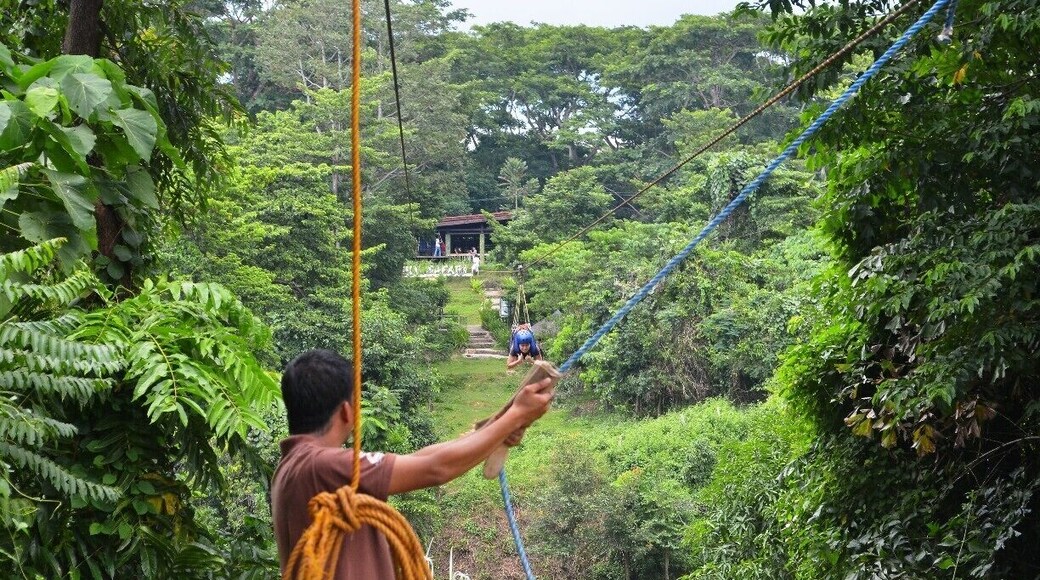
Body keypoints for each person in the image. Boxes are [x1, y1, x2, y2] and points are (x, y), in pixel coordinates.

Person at [271, 349, 555, 578]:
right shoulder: (323, 466)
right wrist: (516, 416)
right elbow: (435, 468)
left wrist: (494, 430)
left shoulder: (296, 466)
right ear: (348, 411)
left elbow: (418, 459)